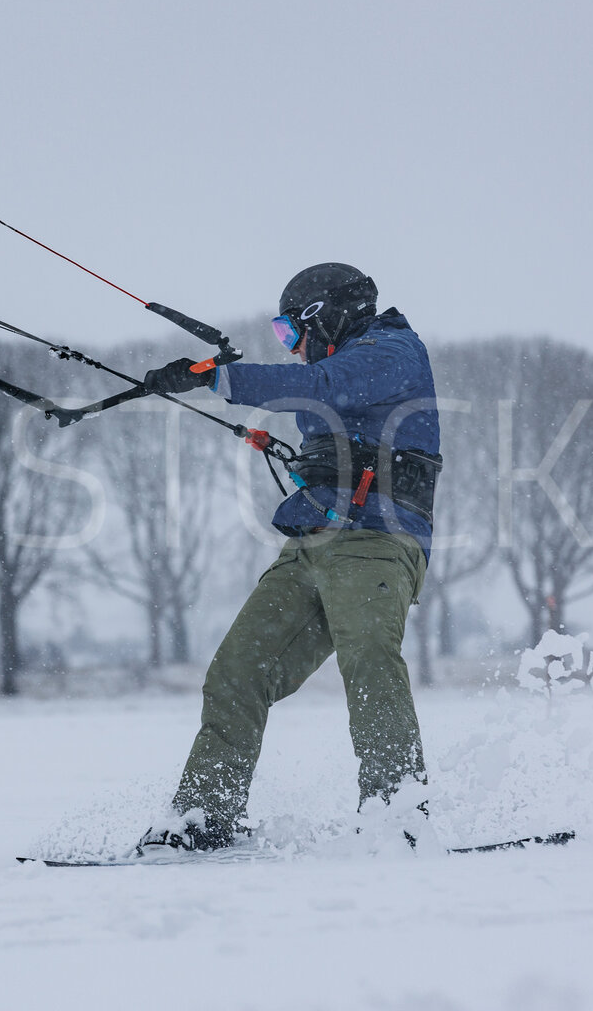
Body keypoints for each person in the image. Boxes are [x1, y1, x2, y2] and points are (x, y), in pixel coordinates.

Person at [135, 262, 443, 852]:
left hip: (378, 542)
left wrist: (217, 376)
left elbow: (322, 384)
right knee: (238, 671)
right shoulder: (339, 367)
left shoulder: (393, 351)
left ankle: (398, 816)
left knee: (369, 662)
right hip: (312, 543)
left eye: (291, 331)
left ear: (325, 316)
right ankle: (204, 816)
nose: (293, 347)